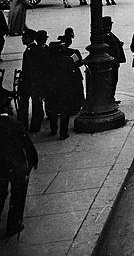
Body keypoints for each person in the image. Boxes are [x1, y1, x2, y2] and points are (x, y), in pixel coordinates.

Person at [0, 109, 38, 239]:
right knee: (18, 194)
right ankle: (13, 225)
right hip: (16, 166)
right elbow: (27, 144)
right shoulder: (14, 124)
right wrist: (33, 160)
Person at [45, 35, 84, 139]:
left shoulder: (47, 61)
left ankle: (53, 130)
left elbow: (44, 76)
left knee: (53, 111)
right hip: (65, 90)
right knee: (64, 112)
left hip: (51, 90)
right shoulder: (67, 60)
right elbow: (72, 76)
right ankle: (63, 133)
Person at [17, 30, 49, 132]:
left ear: (30, 38)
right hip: (35, 82)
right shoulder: (37, 49)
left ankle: (25, 126)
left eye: (24, 37)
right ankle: (34, 126)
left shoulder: (30, 51)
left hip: (30, 82)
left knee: (28, 104)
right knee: (36, 104)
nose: (22, 39)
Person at [102, 16, 126, 93]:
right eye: (107, 26)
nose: (109, 27)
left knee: (114, 80)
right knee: (111, 80)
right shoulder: (103, 36)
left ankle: (112, 97)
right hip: (110, 63)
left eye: (110, 25)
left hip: (114, 62)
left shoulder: (110, 34)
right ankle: (110, 98)